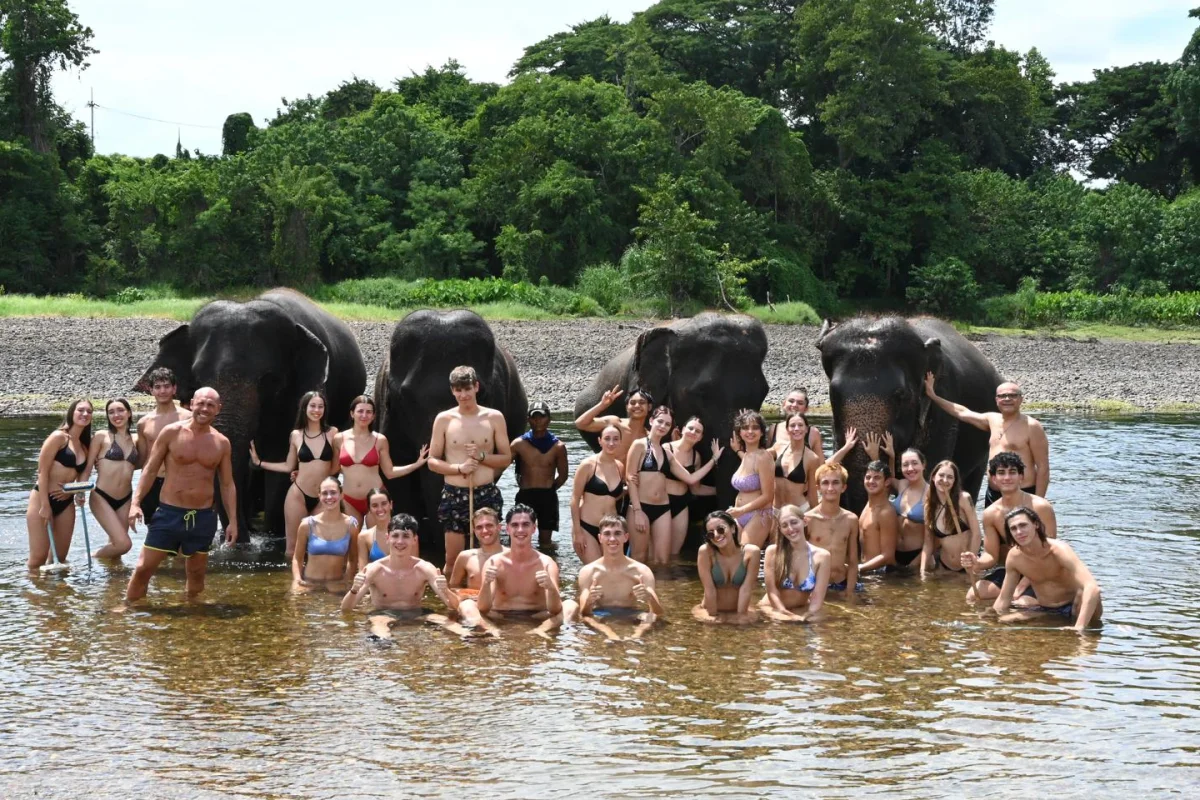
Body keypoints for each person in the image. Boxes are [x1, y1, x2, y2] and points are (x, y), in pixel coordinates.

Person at [125, 387, 237, 603]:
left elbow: (227, 483)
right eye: (201, 403)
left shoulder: (222, 443)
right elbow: (149, 469)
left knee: (196, 573)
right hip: (169, 513)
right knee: (143, 568)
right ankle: (129, 608)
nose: (205, 408)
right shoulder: (171, 432)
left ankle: (192, 612)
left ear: (218, 409)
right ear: (192, 403)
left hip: (203, 516)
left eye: (210, 405)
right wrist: (135, 503)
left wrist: (232, 521)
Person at [427, 367, 513, 574]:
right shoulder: (444, 419)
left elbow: (506, 458)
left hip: (485, 492)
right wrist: (460, 467)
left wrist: (481, 457)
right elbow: (432, 461)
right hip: (454, 493)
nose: (463, 395)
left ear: (476, 387)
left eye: (467, 388)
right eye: (458, 390)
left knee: (490, 556)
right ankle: (453, 604)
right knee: (452, 560)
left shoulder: (493, 417)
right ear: (452, 391)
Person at [924, 373, 1050, 503]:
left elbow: (1043, 467)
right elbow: (962, 412)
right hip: (993, 493)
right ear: (996, 400)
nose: (1007, 399)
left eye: (1013, 395)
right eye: (1002, 396)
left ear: (1020, 399)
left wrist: (1038, 502)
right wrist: (933, 396)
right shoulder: (992, 419)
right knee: (991, 523)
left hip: (1023, 493)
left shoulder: (1032, 426)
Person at [340, 513, 467, 640]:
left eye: (406, 536)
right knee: (379, 624)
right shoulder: (375, 569)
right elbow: (346, 608)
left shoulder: (425, 568)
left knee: (452, 625)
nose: (400, 542)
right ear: (387, 538)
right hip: (383, 614)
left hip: (416, 613)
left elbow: (454, 606)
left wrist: (446, 590)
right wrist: (354, 589)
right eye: (395, 536)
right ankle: (385, 647)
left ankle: (476, 641)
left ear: (414, 540)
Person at [626, 406, 723, 564]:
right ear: (651, 421)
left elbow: (691, 479)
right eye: (660, 422)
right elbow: (630, 478)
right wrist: (637, 510)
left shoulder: (667, 454)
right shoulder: (639, 445)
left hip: (664, 508)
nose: (663, 426)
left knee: (664, 561)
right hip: (641, 506)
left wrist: (714, 460)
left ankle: (665, 589)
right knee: (640, 558)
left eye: (667, 424)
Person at [251, 391, 340, 559]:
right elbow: (288, 466)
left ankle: (316, 583)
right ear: (304, 408)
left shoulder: (333, 433)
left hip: (324, 497)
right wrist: (259, 463)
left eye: (321, 406)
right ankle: (291, 584)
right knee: (292, 550)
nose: (317, 410)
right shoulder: (296, 435)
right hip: (298, 495)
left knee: (319, 548)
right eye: (312, 406)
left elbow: (336, 467)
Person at [991, 507, 1102, 632]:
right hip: (1046, 610)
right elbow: (1004, 598)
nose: (1019, 532)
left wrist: (1079, 627)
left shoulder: (1059, 550)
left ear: (1036, 524)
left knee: (1085, 593)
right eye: (1013, 528)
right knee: (1002, 623)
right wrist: (993, 618)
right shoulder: (1014, 557)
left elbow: (1092, 588)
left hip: (1075, 607)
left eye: (1023, 525)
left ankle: (1091, 631)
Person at [967, 452, 1058, 602]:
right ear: (994, 479)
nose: (1007, 478)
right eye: (1001, 473)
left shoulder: (1041, 506)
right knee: (974, 595)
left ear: (1021, 477)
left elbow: (1049, 551)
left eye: (1012, 472)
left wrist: (1019, 588)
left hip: (1041, 570)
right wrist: (976, 562)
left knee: (1022, 605)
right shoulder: (991, 513)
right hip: (1013, 570)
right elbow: (991, 555)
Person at [476, 505, 572, 639]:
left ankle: (542, 629)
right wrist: (486, 583)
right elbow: (483, 608)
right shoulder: (494, 562)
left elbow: (555, 609)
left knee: (571, 606)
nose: (520, 530)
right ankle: (491, 629)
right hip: (501, 617)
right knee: (466, 605)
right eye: (515, 525)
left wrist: (550, 587)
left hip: (538, 618)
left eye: (525, 524)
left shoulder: (546, 563)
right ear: (507, 529)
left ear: (534, 528)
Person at [335, 395, 428, 530]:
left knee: (379, 540)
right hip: (349, 499)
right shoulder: (339, 439)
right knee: (351, 543)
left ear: (373, 416)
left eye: (369, 412)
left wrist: (416, 464)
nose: (364, 415)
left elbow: (389, 472)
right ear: (352, 413)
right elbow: (332, 469)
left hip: (376, 498)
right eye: (360, 411)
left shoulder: (380, 440)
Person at [26, 399, 93, 570]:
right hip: (43, 499)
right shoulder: (58, 437)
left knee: (60, 558)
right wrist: (45, 506)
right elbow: (42, 472)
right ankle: (34, 595)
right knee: (38, 558)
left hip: (66, 503)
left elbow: (79, 477)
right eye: (81, 410)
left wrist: (76, 493)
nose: (85, 414)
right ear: (72, 412)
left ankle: (55, 596)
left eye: (89, 411)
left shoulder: (85, 446)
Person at [574, 515, 664, 641]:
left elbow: (658, 612)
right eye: (607, 534)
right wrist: (589, 600)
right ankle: (609, 634)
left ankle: (636, 636)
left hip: (630, 613)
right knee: (586, 618)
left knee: (651, 617)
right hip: (601, 614)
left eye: (617, 533)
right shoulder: (588, 571)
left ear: (625, 537)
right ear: (600, 538)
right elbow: (584, 613)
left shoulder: (641, 571)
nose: (612, 538)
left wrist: (648, 597)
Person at [135, 367, 191, 525]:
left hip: (180, 482)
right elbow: (143, 459)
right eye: (158, 387)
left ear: (174, 389)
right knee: (155, 533)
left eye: (166, 386)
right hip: (153, 483)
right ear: (151, 390)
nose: (162, 391)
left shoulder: (188, 418)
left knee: (182, 530)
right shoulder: (144, 423)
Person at [510, 401, 568, 549]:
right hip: (525, 495)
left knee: (545, 542)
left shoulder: (558, 447)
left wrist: (550, 489)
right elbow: (502, 464)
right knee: (520, 539)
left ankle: (549, 564)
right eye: (534, 417)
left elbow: (563, 476)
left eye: (541, 417)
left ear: (548, 419)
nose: (538, 421)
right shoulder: (518, 444)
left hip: (547, 496)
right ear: (528, 419)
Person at [85, 398, 138, 559]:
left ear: (129, 413)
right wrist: (79, 491)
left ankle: (114, 583)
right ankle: (91, 558)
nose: (116, 415)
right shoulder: (102, 436)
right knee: (124, 544)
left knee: (116, 552)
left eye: (120, 410)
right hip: (102, 496)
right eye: (111, 412)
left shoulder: (137, 439)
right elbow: (87, 467)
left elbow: (145, 465)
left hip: (125, 499)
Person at [759, 505, 831, 622]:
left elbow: (817, 598)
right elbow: (772, 592)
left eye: (794, 522)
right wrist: (785, 613)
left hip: (801, 609)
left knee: (818, 623)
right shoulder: (773, 552)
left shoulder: (822, 556)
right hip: (774, 608)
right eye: (784, 525)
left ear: (805, 521)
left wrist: (808, 615)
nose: (790, 529)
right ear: (780, 529)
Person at [569, 424, 626, 564]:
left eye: (615, 439)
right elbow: (575, 499)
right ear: (600, 441)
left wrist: (627, 489)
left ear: (620, 441)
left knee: (610, 574)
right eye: (607, 438)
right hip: (587, 527)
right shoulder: (587, 465)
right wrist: (577, 532)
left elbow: (613, 496)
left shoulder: (620, 466)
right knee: (595, 571)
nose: (611, 443)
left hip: (610, 530)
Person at [291, 476, 357, 593]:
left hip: (336, 585)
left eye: (333, 493)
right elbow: (297, 558)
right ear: (319, 496)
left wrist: (347, 581)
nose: (329, 497)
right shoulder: (307, 524)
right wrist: (297, 580)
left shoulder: (351, 526)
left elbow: (353, 559)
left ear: (341, 495)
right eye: (324, 493)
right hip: (309, 583)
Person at [694, 510, 761, 624]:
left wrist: (741, 616)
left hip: (739, 610)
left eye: (721, 529)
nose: (716, 535)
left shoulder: (751, 553)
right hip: (709, 610)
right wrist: (712, 617)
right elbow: (709, 589)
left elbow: (746, 589)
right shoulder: (705, 552)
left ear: (733, 529)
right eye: (710, 533)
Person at [663, 416, 716, 557]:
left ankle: (673, 579)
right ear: (683, 429)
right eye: (690, 428)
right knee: (659, 552)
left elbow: (696, 488)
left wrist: (721, 491)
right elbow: (690, 479)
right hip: (662, 503)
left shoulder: (696, 457)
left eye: (697, 431)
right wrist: (713, 460)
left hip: (681, 505)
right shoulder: (666, 449)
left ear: (700, 437)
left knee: (675, 553)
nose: (693, 432)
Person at [804, 463, 861, 593]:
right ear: (818, 487)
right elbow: (799, 557)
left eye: (835, 482)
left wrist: (849, 591)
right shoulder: (808, 519)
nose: (830, 488)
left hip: (842, 582)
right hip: (816, 584)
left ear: (843, 487)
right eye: (825, 483)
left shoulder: (851, 519)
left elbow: (853, 561)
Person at [920, 460, 980, 578]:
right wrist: (923, 570)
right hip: (944, 566)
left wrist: (971, 564)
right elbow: (928, 543)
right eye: (941, 475)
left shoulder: (963, 499)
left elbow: (977, 534)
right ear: (933, 477)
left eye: (950, 477)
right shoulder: (929, 506)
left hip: (967, 566)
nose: (945, 480)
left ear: (954, 481)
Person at [447, 507, 507, 626]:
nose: (484, 530)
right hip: (474, 608)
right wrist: (469, 595)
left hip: (502, 610)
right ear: (474, 531)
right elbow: (453, 588)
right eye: (479, 527)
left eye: (489, 525)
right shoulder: (465, 557)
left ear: (499, 527)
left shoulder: (510, 557)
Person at [728, 409, 776, 548]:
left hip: (758, 515)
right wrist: (737, 450)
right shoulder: (748, 456)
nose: (750, 431)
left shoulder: (764, 457)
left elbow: (768, 496)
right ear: (739, 433)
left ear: (762, 432)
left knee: (746, 558)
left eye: (755, 427)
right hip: (739, 514)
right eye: (745, 428)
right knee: (737, 558)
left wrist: (741, 511)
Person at [574, 385, 653, 463]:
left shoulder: (649, 437)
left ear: (649, 407)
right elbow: (580, 424)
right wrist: (602, 405)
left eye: (642, 402)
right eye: (632, 403)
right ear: (627, 407)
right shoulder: (615, 423)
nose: (637, 406)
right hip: (608, 474)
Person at [771, 413, 824, 513]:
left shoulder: (812, 458)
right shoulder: (778, 447)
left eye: (800, 425)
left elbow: (812, 494)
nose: (796, 429)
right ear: (787, 429)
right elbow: (757, 456)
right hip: (776, 510)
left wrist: (816, 516)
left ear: (806, 429)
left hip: (799, 511)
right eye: (792, 425)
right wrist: (739, 450)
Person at [857, 460, 900, 573]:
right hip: (866, 570)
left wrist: (858, 569)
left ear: (887, 482)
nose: (871, 481)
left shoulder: (886, 513)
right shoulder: (868, 506)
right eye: (868, 477)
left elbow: (888, 556)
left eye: (877, 478)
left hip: (881, 576)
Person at [768, 386, 825, 456]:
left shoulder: (813, 433)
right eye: (791, 401)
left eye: (800, 403)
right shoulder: (773, 429)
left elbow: (821, 465)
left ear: (806, 408)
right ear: (784, 404)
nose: (794, 405)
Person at [356, 487, 394, 566]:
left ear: (391, 505)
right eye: (375, 505)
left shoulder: (406, 533)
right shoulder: (364, 537)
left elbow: (415, 568)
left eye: (384, 504)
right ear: (369, 509)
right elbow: (362, 571)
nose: (380, 509)